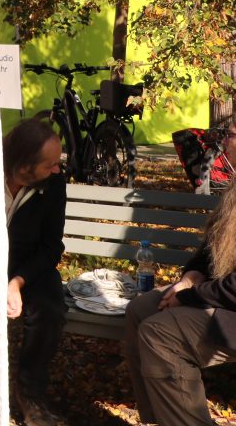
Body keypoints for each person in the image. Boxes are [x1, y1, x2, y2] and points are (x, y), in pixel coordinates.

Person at [124, 126, 236, 426]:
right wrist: (189, 277)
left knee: (160, 334)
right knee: (139, 310)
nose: (225, 138)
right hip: (221, 297)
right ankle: (160, 418)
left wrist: (190, 295)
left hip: (230, 309)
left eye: (233, 133)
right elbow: (209, 251)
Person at [4, 117, 67, 426]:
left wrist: (16, 281)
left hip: (28, 267)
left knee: (50, 307)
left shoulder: (53, 184)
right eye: (50, 164)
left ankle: (30, 394)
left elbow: (52, 246)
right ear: (24, 167)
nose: (57, 169)